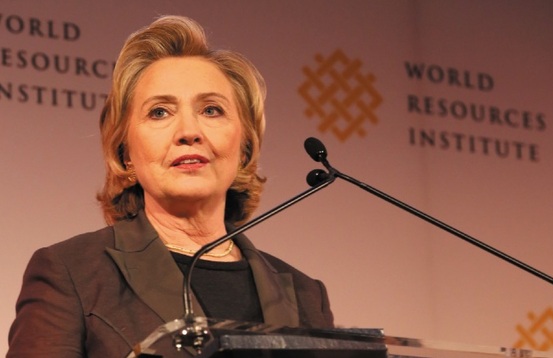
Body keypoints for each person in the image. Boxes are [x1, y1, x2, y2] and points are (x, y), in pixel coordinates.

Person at [7, 15, 334, 357]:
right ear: (125, 152)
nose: (188, 131)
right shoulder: (71, 272)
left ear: (244, 147)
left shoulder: (306, 294)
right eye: (160, 112)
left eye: (211, 110)